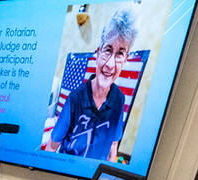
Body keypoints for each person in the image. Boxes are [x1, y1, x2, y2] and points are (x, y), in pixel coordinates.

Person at [42, 6, 138, 161]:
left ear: (125, 59)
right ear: (98, 52)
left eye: (120, 53)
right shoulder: (75, 98)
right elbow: (52, 146)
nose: (110, 64)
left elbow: (113, 146)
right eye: (107, 50)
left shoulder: (119, 99)